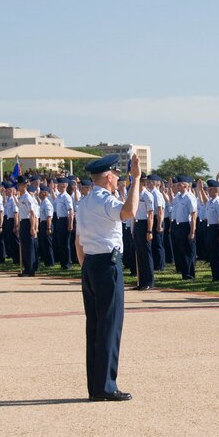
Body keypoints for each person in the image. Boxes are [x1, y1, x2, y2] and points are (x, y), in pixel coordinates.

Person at [74, 152, 141, 402]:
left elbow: (78, 241)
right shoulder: (104, 200)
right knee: (110, 326)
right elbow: (129, 211)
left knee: (95, 326)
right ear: (110, 176)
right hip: (107, 264)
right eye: (116, 176)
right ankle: (106, 386)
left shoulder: (84, 202)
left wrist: (86, 268)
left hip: (90, 263)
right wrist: (136, 179)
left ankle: (96, 385)